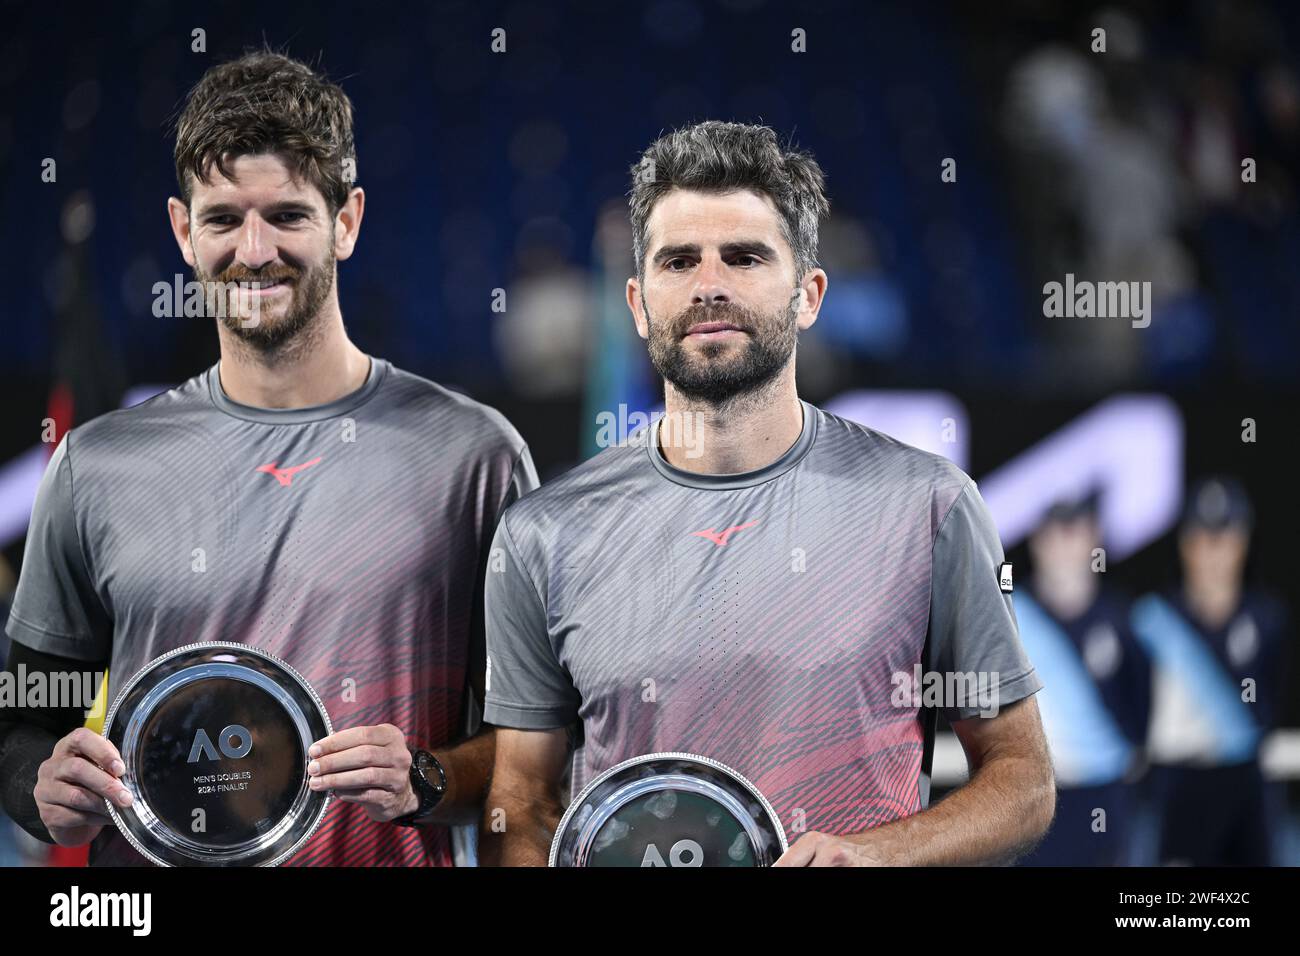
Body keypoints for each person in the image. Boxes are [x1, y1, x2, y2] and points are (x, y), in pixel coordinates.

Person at [0, 49, 536, 866]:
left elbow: (535, 750)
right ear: (184, 230)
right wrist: (39, 783)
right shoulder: (96, 463)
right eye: (223, 219)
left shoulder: (473, 456)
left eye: (286, 215)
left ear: (346, 222)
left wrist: (427, 778)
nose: (254, 251)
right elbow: (28, 716)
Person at [479, 121, 1054, 867]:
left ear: (809, 293)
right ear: (637, 302)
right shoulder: (542, 534)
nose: (709, 284)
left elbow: (1024, 781)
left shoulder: (930, 507)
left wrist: (876, 855)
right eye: (679, 261)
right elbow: (518, 802)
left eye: (745, 257)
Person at [1132, 477, 1289, 866]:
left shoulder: (1267, 621)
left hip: (1244, 785)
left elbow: (1273, 705)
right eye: (1203, 538)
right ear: (1186, 544)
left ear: (1244, 543)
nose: (1214, 553)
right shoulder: (1151, 622)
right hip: (1175, 788)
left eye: (1226, 538)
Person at [1014, 493, 1150, 866]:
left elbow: (1142, 712)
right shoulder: (1009, 619)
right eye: (1053, 534)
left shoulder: (1121, 621)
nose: (1063, 546)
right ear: (1037, 541)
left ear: (1094, 538)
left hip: (1103, 799)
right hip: (1031, 801)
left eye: (1073, 532)